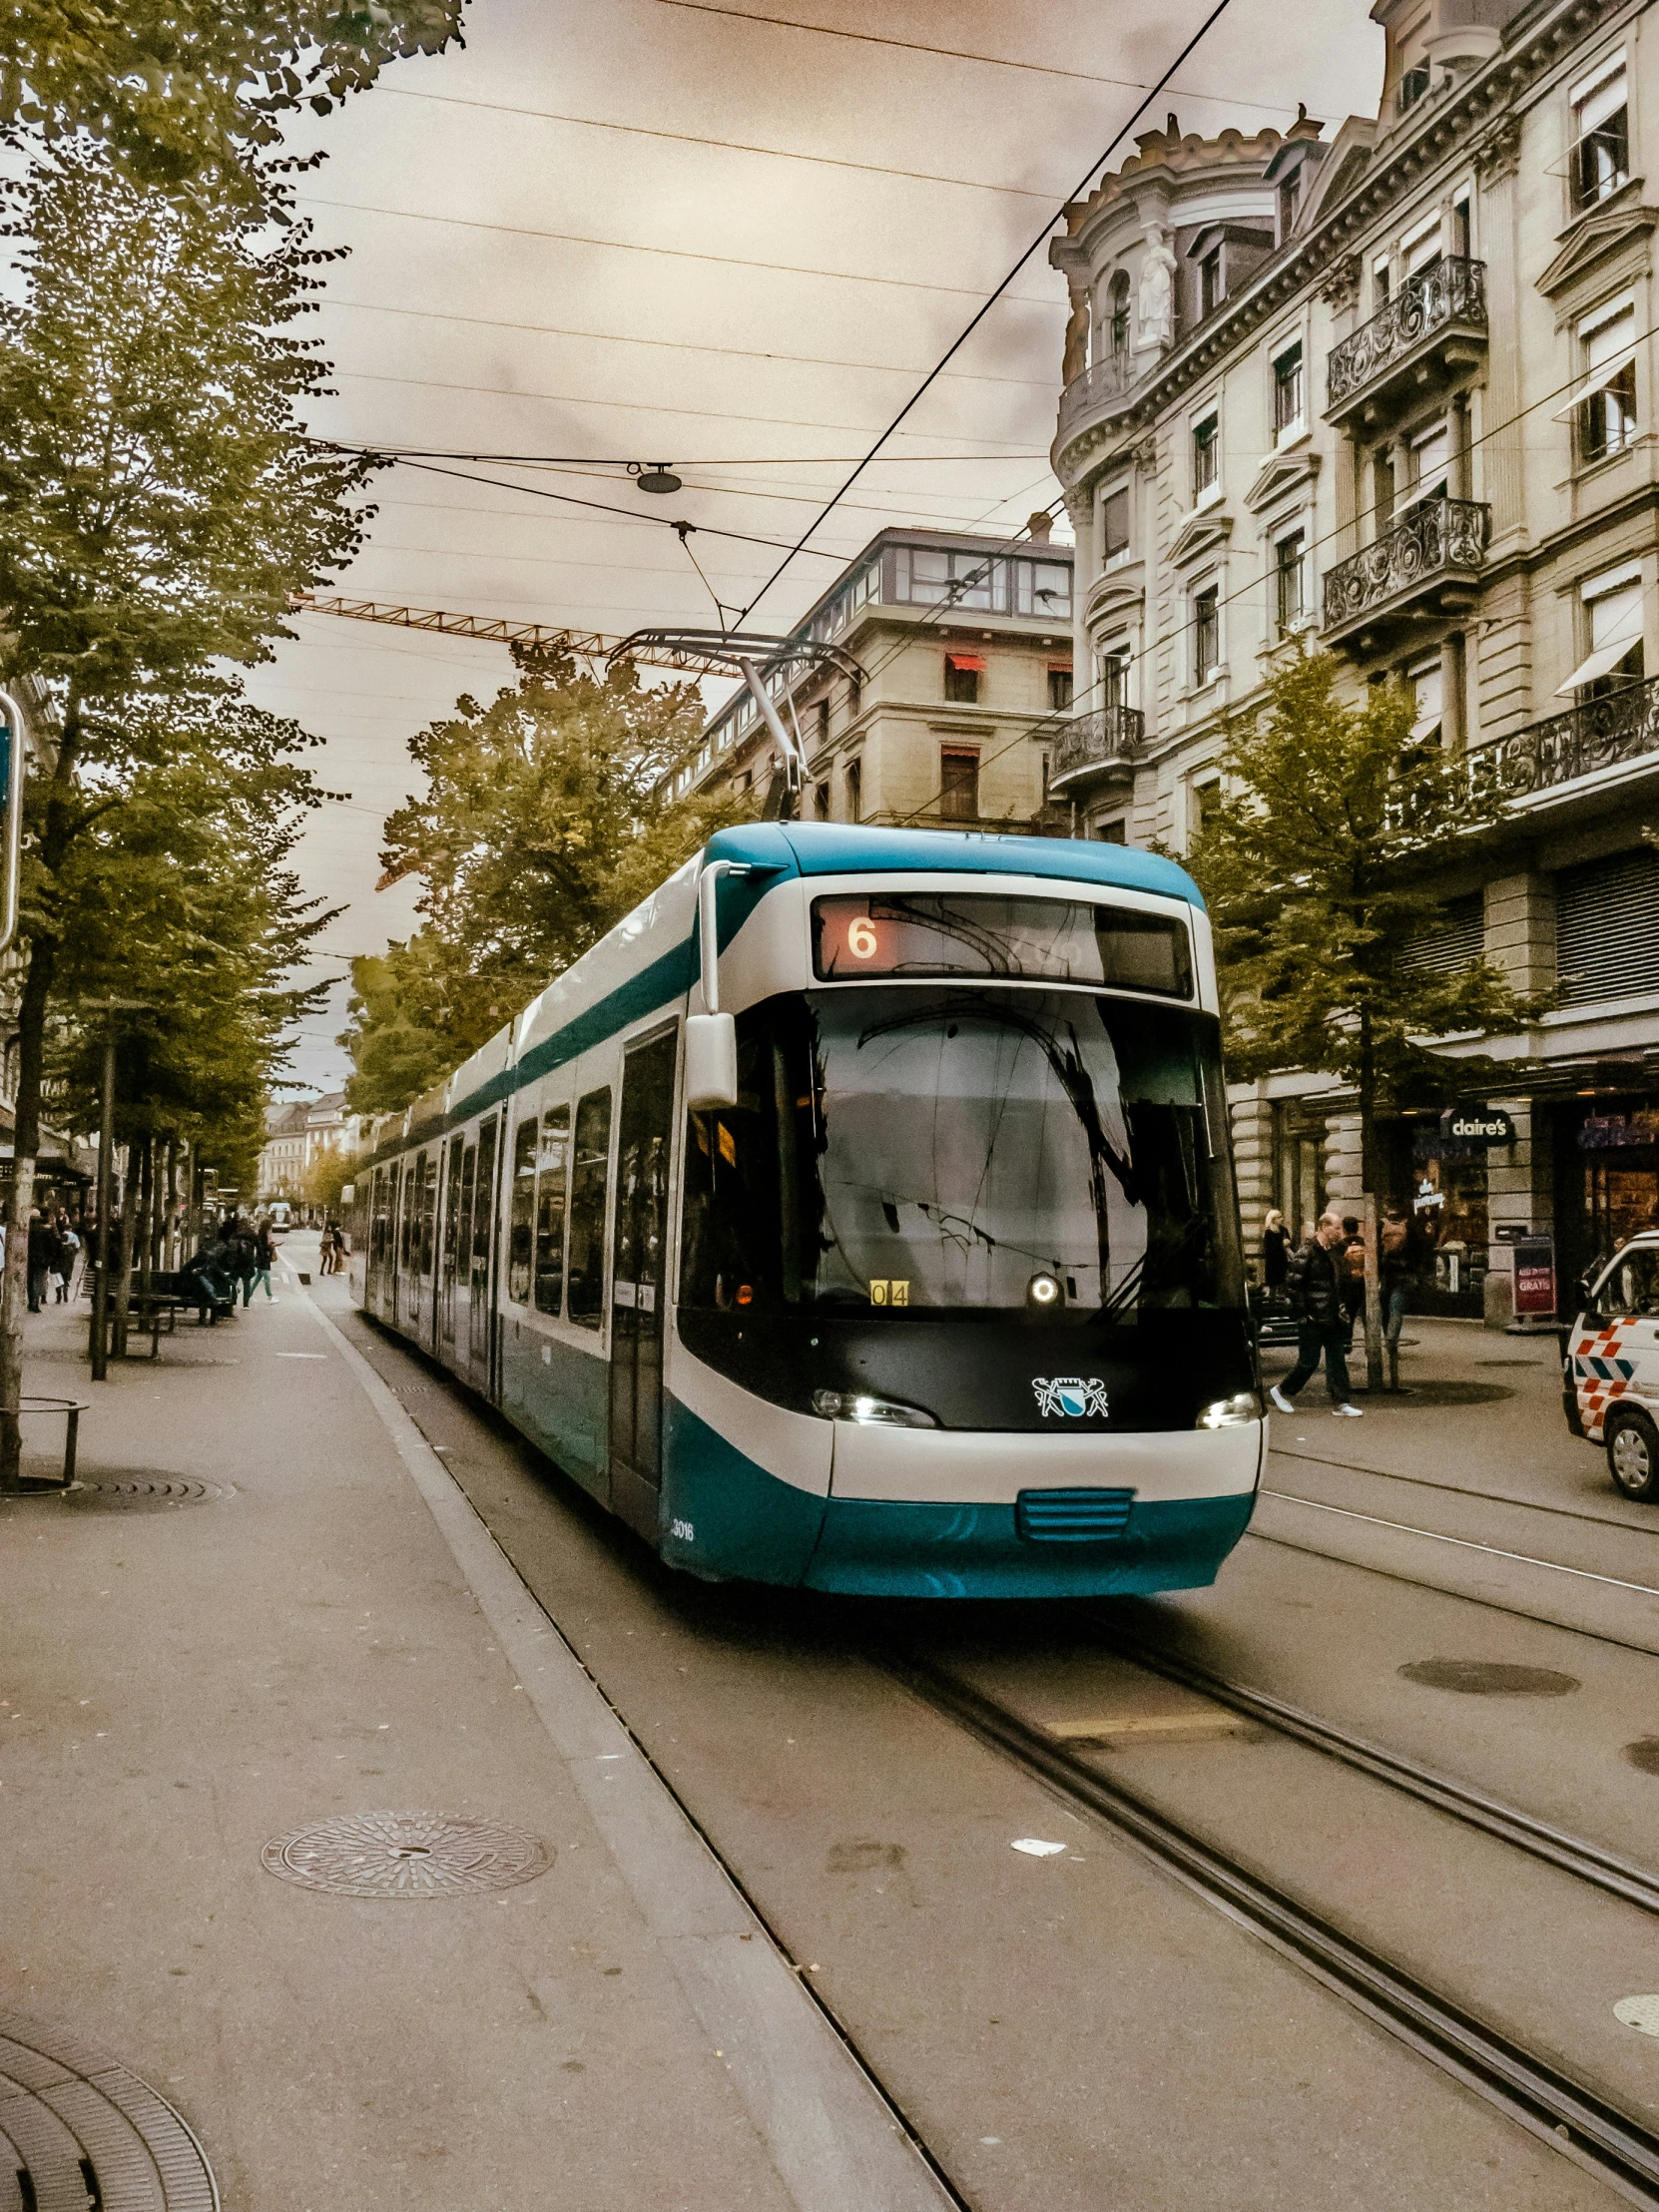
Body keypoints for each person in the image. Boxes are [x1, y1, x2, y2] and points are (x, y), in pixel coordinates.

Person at [1270, 1210, 1365, 1417]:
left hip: (1330, 1315)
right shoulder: (1308, 1251)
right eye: (1336, 1228)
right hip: (1313, 1317)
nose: (1339, 1232)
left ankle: (1342, 1402)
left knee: (1336, 1358)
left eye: (1340, 1227)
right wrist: (1304, 1313)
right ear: (1324, 1227)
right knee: (1309, 1361)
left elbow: (1337, 1282)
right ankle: (1281, 1390)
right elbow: (1294, 1285)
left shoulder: (1333, 1252)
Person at [25, 1208, 52, 1314]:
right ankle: (36, 1300)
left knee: (30, 1280)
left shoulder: (28, 1230)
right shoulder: (46, 1230)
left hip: (30, 1257)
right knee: (39, 1279)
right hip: (42, 1259)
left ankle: (32, 1300)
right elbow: (50, 1246)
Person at [1261, 1209, 1291, 1291]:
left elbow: (1288, 1241)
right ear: (1273, 1219)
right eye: (1279, 1217)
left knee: (1283, 1282)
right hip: (1272, 1263)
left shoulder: (1284, 1230)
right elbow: (1269, 1249)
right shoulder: (1268, 1232)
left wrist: (1287, 1242)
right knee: (1273, 1285)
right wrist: (1282, 1244)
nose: (1282, 1219)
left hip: (1282, 1260)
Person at [250, 1220, 276, 1302]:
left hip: (259, 1259)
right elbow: (265, 1248)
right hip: (263, 1259)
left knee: (257, 1279)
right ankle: (270, 1296)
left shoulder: (259, 1235)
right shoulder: (264, 1236)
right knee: (267, 1278)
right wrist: (272, 1245)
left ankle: (249, 1294)